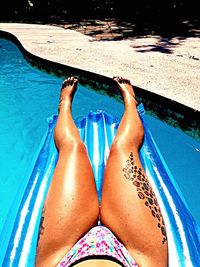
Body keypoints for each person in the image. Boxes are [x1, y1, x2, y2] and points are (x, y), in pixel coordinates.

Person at [36, 76, 168, 267]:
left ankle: (65, 104)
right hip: (138, 262)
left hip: (62, 260)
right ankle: (130, 101)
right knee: (123, 147)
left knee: (71, 148)